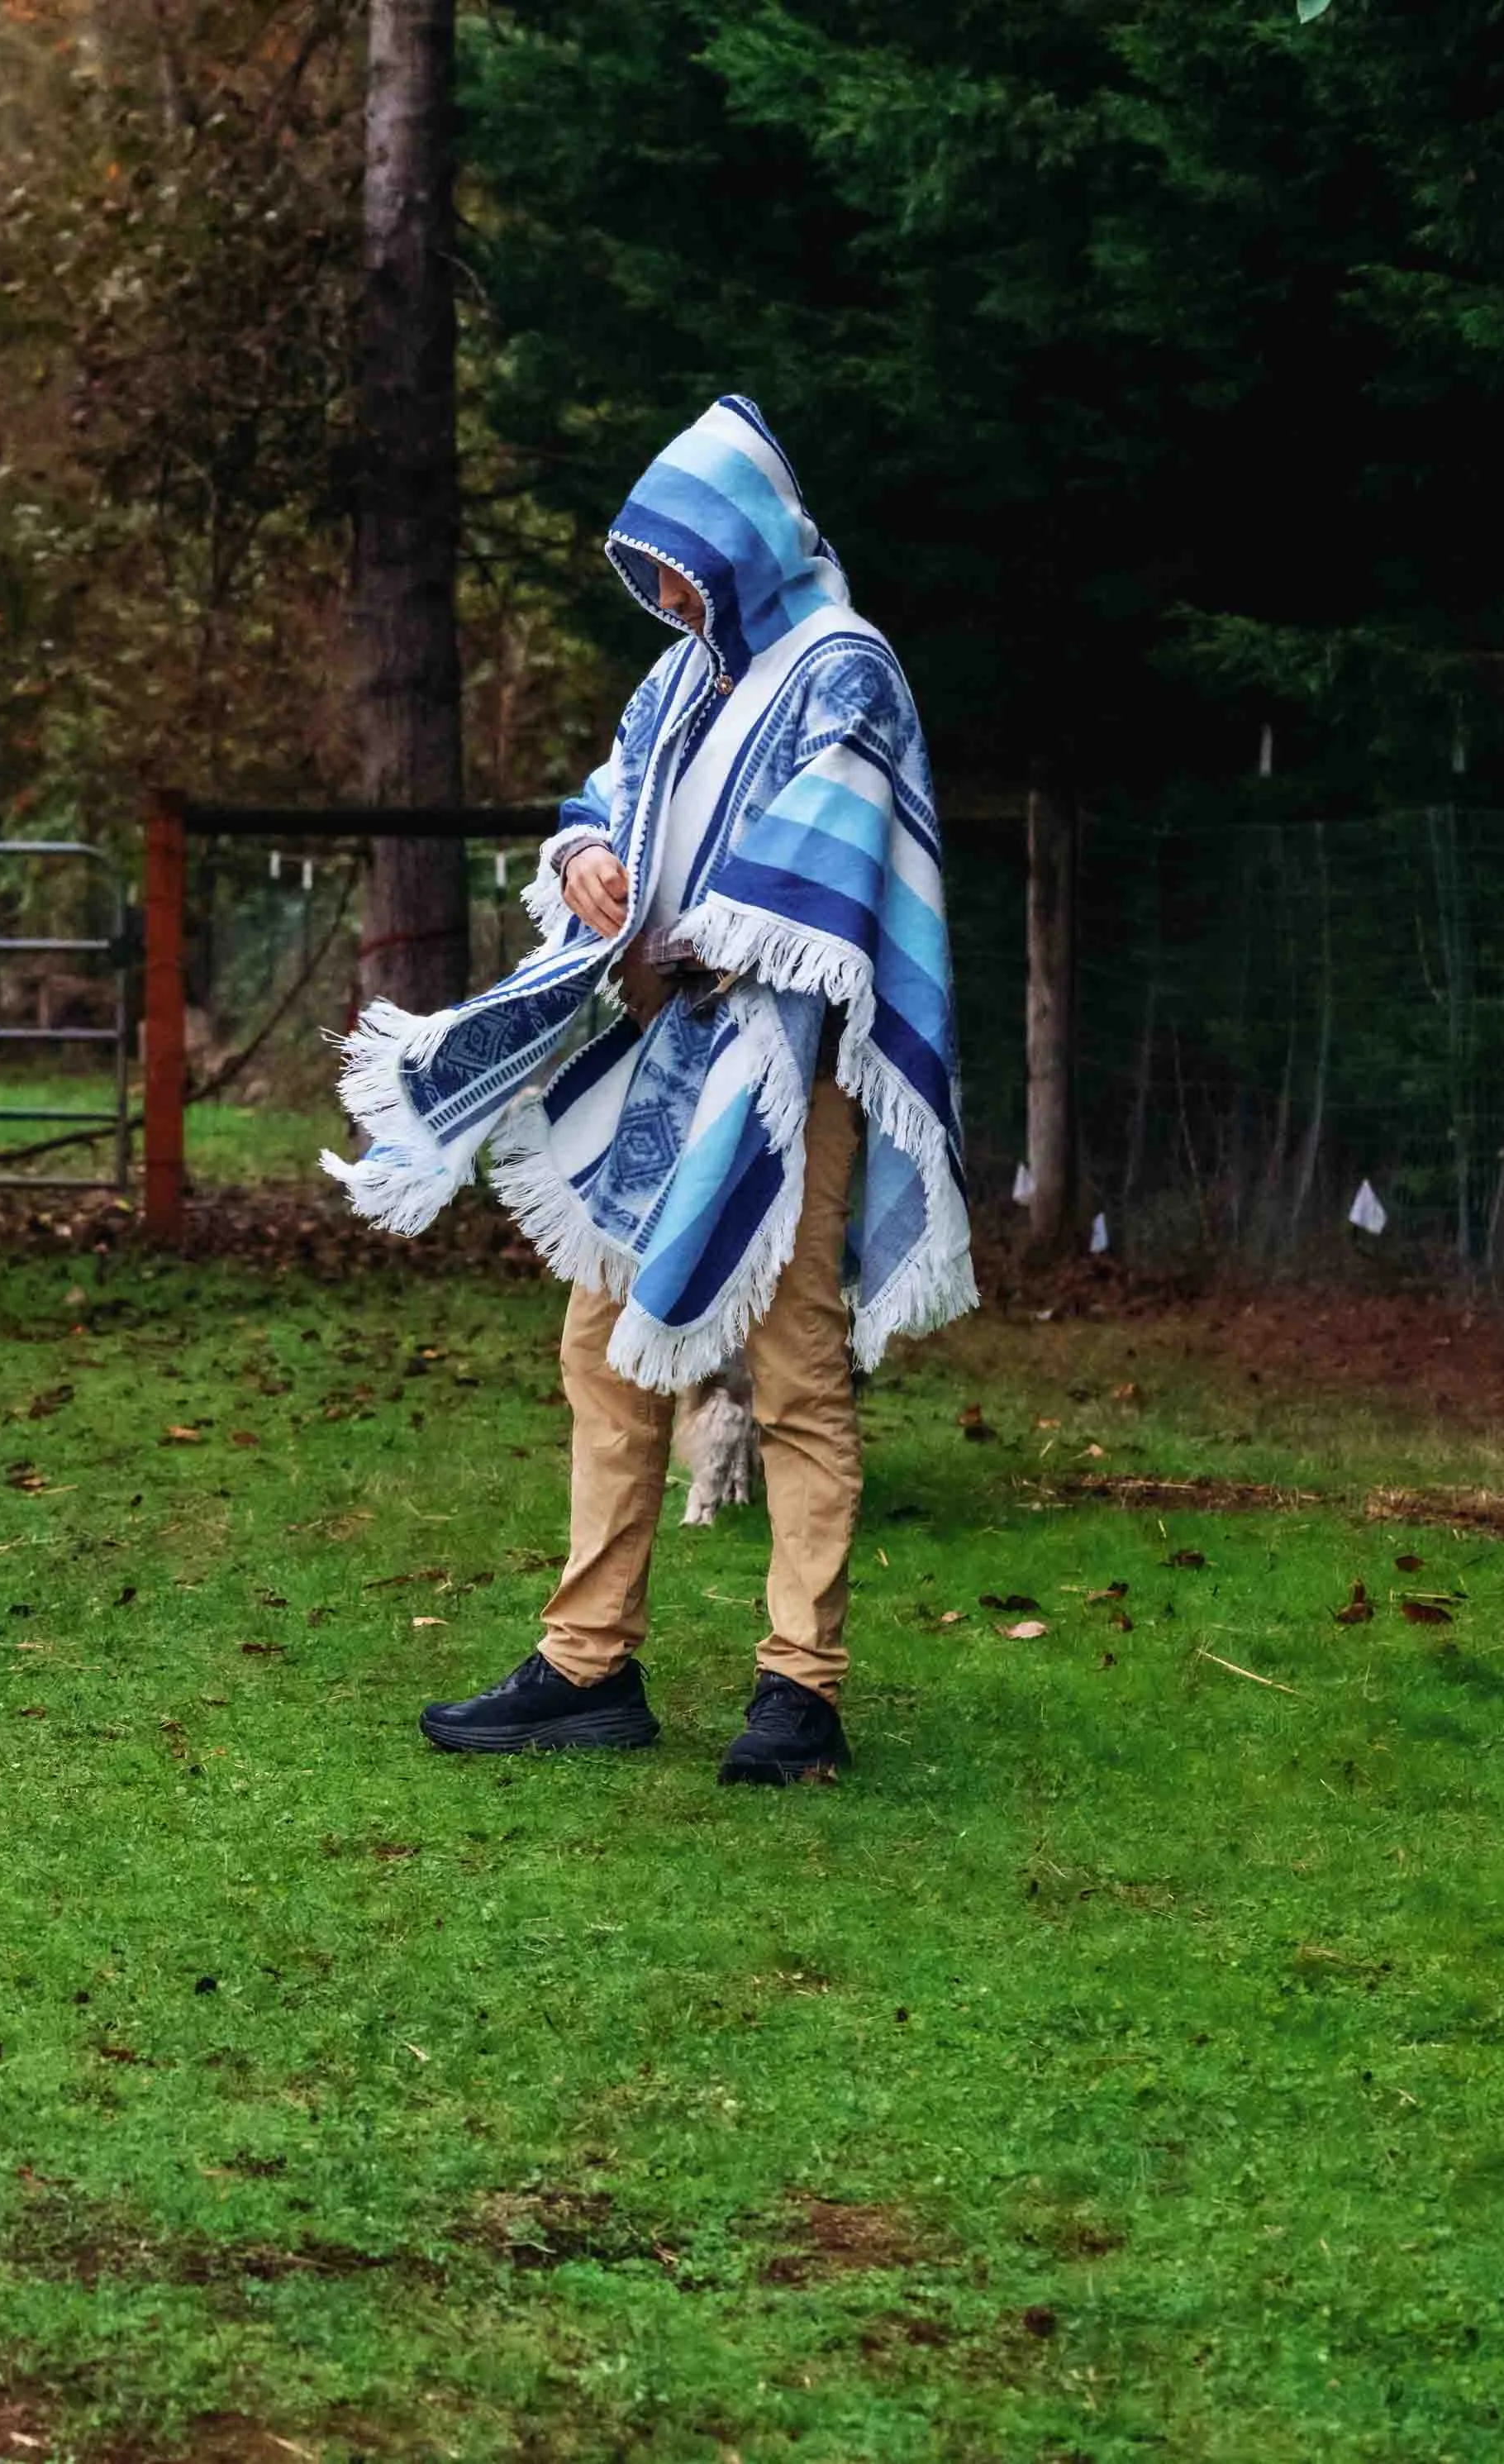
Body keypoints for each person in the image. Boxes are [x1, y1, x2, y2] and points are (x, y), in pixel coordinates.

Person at [323, 395, 971, 1783]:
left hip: (789, 1074)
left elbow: (825, 865)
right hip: (662, 1060)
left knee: (794, 1371)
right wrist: (583, 871)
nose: (665, 586)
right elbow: (602, 799)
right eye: (653, 563)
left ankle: (803, 1690)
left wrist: (675, 942)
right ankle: (586, 1665)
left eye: (679, 557)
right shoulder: (683, 676)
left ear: (740, 541)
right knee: (601, 1352)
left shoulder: (844, 668)